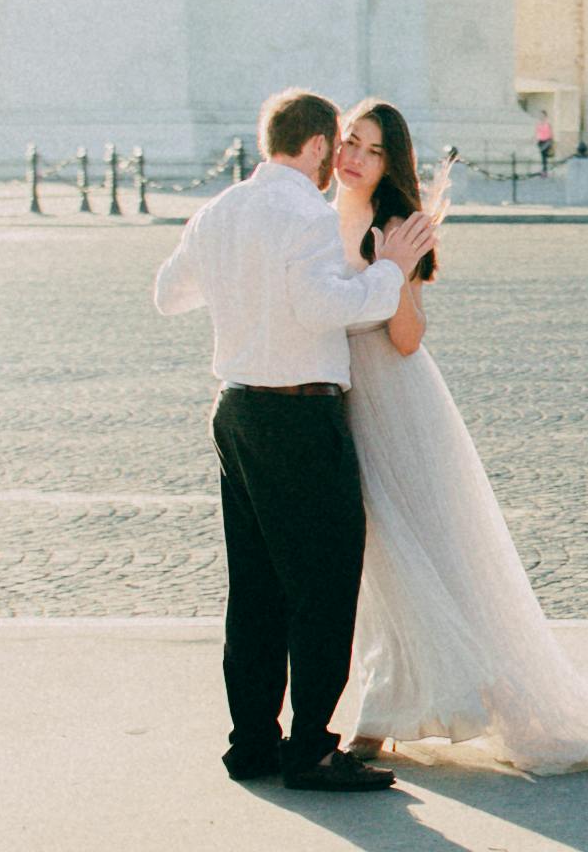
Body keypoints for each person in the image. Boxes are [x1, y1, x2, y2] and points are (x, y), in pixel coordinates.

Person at [329, 100, 588, 773]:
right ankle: (396, 705)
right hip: (341, 399)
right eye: (347, 140)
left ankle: (414, 716)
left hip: (393, 400)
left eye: (368, 149)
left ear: (388, 162)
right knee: (380, 557)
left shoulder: (395, 225)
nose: (352, 156)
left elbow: (406, 338)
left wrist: (392, 271)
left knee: (414, 551)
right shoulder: (318, 217)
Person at [153, 89, 436, 793]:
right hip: (299, 416)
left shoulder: (219, 211)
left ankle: (252, 743)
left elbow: (169, 293)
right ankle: (311, 749)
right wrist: (388, 272)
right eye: (335, 147)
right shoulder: (306, 214)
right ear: (316, 146)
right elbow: (323, 307)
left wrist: (238, 291)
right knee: (323, 587)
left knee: (253, 591)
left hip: (236, 410)